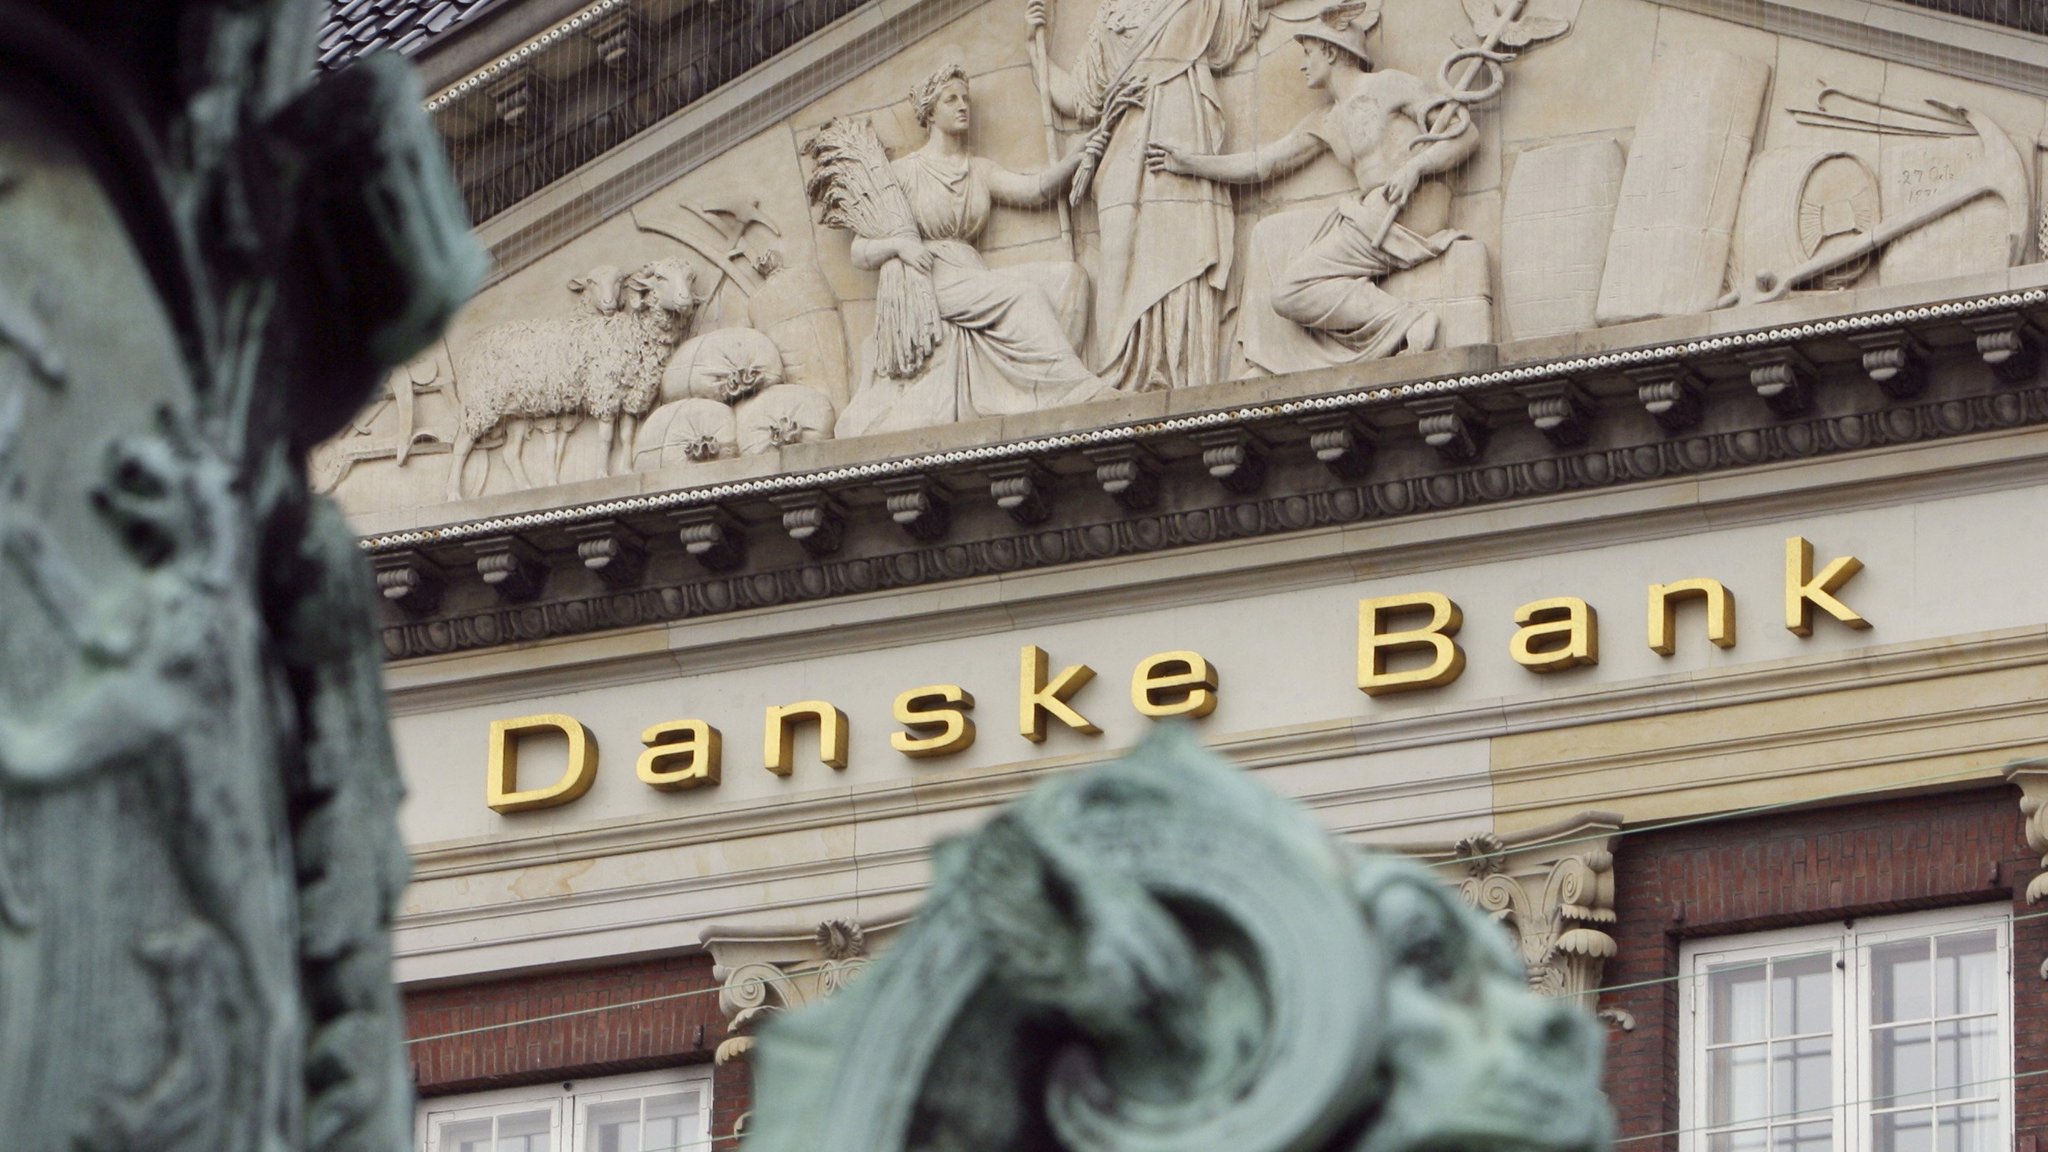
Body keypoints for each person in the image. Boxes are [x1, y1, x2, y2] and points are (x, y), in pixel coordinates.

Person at [1145, 5, 1477, 359]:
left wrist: (1416, 169)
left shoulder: (1389, 85)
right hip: (1371, 215)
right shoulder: (1327, 120)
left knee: (1290, 291)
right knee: (1270, 235)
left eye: (1308, 53)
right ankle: (1269, 358)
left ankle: (1408, 320)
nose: (1303, 64)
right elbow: (1262, 164)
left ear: (1330, 52)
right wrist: (1190, 163)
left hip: (1411, 211)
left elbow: (1466, 134)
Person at [836, 64, 1116, 437]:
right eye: (950, 99)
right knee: (1022, 295)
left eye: (965, 99)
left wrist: (1075, 157)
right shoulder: (902, 174)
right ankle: (1075, 388)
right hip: (931, 276)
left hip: (969, 270)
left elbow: (1034, 190)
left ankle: (1046, 392)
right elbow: (859, 251)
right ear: (929, 112)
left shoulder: (978, 169)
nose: (962, 106)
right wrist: (900, 246)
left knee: (1069, 278)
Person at [1028, 0, 1267, 392]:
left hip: (1179, 132)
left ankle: (1180, 368)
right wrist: (1035, 49)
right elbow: (1077, 98)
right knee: (1117, 252)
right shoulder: (1108, 16)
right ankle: (1115, 374)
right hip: (1122, 141)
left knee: (1179, 246)